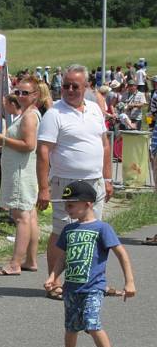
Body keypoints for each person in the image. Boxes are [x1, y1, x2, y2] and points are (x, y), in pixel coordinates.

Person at [44, 180, 135, 347]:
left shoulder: (102, 228)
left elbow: (121, 253)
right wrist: (53, 276)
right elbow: (63, 258)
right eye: (66, 205)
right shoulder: (69, 229)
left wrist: (129, 282)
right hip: (71, 288)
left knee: (92, 324)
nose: (67, 209)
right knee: (71, 327)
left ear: (87, 204)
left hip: (94, 287)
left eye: (71, 205)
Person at [37, 65, 113, 301]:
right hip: (66, 182)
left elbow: (105, 145)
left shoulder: (94, 110)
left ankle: (92, 280)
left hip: (94, 181)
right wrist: (43, 188)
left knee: (93, 231)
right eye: (65, 85)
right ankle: (54, 282)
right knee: (62, 231)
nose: (69, 90)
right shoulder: (54, 114)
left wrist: (108, 179)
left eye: (75, 86)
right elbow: (43, 152)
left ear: (86, 87)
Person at [0, 76, 42, 276]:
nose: (20, 96)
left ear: (35, 95)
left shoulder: (29, 116)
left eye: (25, 93)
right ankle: (30, 259)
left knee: (21, 216)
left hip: (21, 172)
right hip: (23, 170)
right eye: (18, 92)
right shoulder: (28, 114)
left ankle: (15, 263)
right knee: (29, 215)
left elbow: (29, 145)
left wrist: (4, 140)